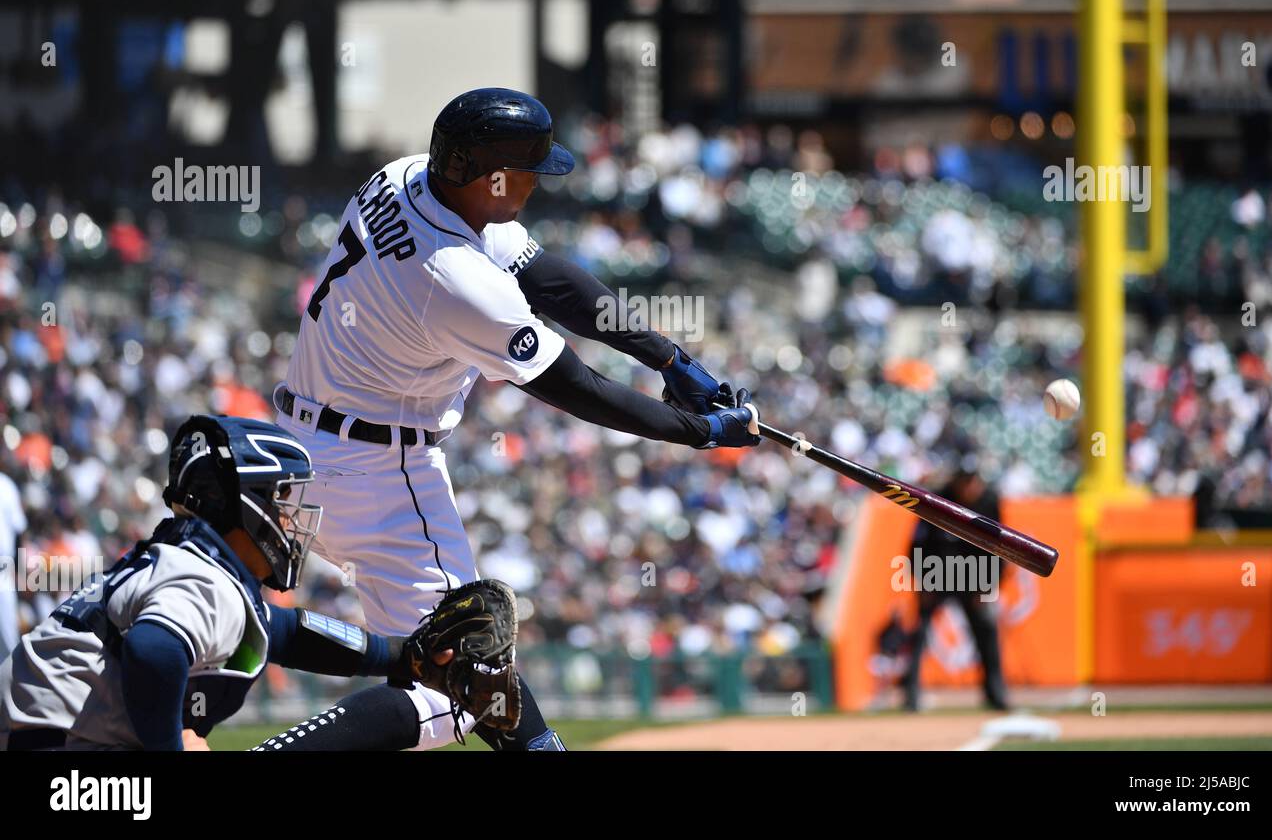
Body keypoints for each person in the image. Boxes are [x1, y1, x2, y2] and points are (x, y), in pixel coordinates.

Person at [267, 87, 760, 751]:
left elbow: (551, 280)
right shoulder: (456, 280)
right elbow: (576, 387)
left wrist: (670, 358)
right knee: (462, 683)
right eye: (529, 170)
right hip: (377, 474)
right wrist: (698, 432)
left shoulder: (408, 176)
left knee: (450, 668)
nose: (537, 182)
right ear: (491, 176)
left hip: (297, 447)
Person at [0, 415, 436, 750]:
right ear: (246, 504)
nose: (288, 519)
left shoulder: (186, 561)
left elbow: (286, 633)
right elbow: (153, 650)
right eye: (280, 497)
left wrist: (405, 656)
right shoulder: (205, 578)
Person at [901, 468, 1008, 712]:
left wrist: (988, 586)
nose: (970, 487)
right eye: (965, 481)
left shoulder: (989, 503)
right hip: (937, 573)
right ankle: (911, 695)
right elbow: (917, 542)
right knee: (919, 633)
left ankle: (996, 693)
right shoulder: (936, 500)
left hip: (974, 577)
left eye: (974, 481)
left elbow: (999, 548)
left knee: (987, 631)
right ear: (956, 480)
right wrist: (922, 582)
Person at [0, 470, 27, 666]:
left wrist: (20, 570)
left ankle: (10, 689)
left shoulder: (6, 484)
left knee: (8, 635)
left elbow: (19, 532)